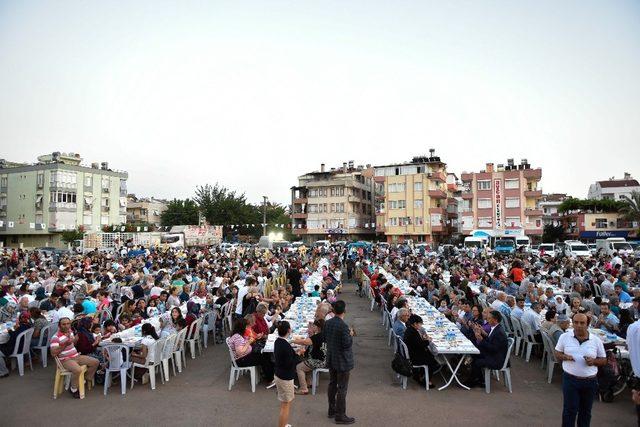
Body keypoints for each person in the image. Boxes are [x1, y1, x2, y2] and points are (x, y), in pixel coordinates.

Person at [555, 313, 607, 427]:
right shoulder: (564, 337)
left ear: (587, 325)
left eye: (582, 323)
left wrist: (593, 361)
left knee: (585, 412)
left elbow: (603, 360)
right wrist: (565, 357)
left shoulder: (596, 340)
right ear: (572, 324)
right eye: (576, 323)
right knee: (569, 410)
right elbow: (557, 353)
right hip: (570, 380)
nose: (579, 325)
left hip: (589, 382)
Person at [50, 317, 99, 398]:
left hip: (76, 356)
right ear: (59, 325)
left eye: (68, 324)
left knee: (95, 362)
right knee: (77, 370)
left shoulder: (70, 332)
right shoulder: (55, 337)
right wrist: (65, 344)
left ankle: (84, 379)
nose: (66, 326)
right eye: (63, 324)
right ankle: (73, 389)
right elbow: (53, 353)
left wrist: (75, 340)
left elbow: (73, 343)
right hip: (65, 360)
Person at [324, 300, 355, 424]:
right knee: (342, 388)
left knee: (332, 384)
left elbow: (324, 338)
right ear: (344, 311)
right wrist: (351, 334)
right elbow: (346, 344)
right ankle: (340, 414)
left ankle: (332, 409)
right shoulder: (344, 326)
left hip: (332, 357)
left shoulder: (328, 323)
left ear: (334, 310)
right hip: (342, 360)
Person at [228, 318, 274, 386]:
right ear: (242, 327)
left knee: (265, 354)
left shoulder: (238, 335)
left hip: (244, 357)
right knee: (264, 358)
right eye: (246, 326)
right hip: (241, 360)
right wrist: (248, 342)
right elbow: (240, 352)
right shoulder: (237, 337)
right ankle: (270, 379)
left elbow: (242, 344)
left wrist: (248, 340)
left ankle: (269, 374)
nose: (247, 328)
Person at [469, 310, 509, 387]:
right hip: (494, 355)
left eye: (489, 318)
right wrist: (483, 333)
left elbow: (493, 348)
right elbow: (491, 341)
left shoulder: (499, 332)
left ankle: (475, 381)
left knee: (477, 361)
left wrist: (481, 340)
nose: (487, 320)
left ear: (495, 320)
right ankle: (479, 380)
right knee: (474, 356)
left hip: (497, 360)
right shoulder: (495, 328)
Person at [403, 314, 439, 387]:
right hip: (414, 357)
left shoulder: (410, 329)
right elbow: (421, 345)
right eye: (420, 323)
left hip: (412, 352)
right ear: (415, 324)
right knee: (433, 361)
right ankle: (426, 381)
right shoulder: (413, 332)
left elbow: (418, 342)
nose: (421, 325)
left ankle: (419, 375)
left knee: (430, 355)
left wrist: (424, 339)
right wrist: (428, 341)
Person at [293, 318, 326, 395]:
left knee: (299, 367)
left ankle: (303, 389)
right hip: (326, 359)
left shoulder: (318, 336)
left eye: (314, 326)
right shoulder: (326, 334)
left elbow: (305, 342)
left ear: (318, 327)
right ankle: (309, 382)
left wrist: (293, 341)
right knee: (305, 361)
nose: (313, 327)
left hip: (319, 361)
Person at [273, 321, 297, 427]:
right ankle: (282, 425)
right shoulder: (286, 346)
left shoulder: (278, 341)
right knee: (285, 405)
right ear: (288, 330)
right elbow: (289, 363)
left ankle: (284, 424)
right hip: (285, 377)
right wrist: (297, 355)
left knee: (284, 403)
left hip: (279, 374)